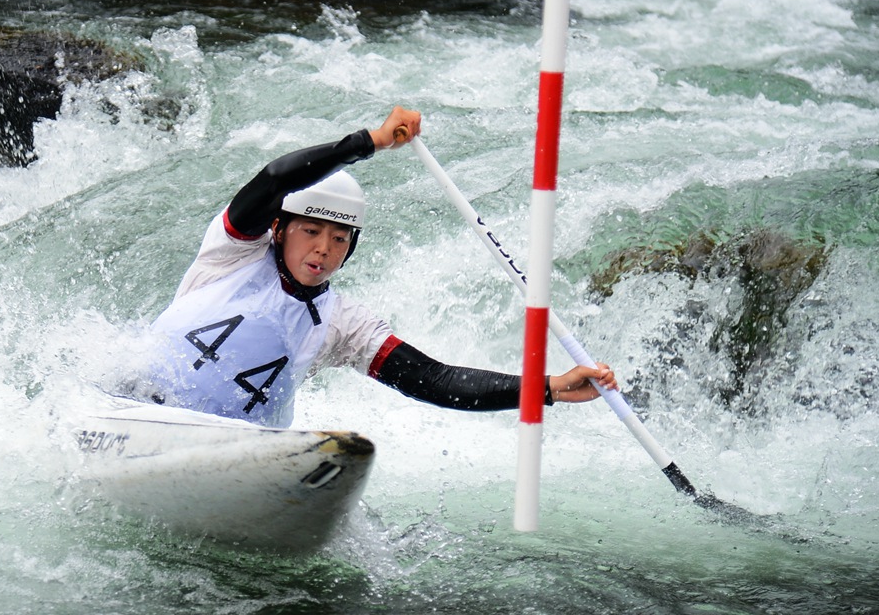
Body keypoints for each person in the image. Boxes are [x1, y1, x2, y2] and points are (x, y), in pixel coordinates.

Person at [138, 106, 617, 427]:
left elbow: (436, 381)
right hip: (137, 407)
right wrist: (367, 142)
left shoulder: (343, 324)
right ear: (280, 229)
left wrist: (548, 388)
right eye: (311, 231)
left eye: (340, 238)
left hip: (238, 450)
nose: (324, 248)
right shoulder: (233, 252)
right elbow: (273, 179)